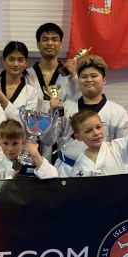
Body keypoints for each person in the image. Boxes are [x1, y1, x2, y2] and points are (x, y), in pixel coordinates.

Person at [39, 55, 128, 177]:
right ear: (78, 80)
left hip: (103, 173)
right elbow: (47, 139)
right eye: (84, 77)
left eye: (94, 76)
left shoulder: (117, 112)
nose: (89, 80)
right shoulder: (65, 108)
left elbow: (125, 150)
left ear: (104, 80)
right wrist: (52, 115)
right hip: (68, 171)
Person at [25, 23, 80, 160]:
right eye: (45, 39)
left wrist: (74, 76)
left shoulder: (69, 75)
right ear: (38, 44)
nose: (50, 43)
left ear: (60, 44)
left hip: (60, 137)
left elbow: (77, 102)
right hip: (31, 136)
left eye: (54, 39)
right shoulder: (26, 75)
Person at [69, 108, 128, 177]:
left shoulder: (119, 148)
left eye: (98, 127)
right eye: (88, 131)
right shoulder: (79, 164)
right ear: (78, 137)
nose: (96, 133)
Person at [0, 41, 39, 121]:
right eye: (11, 59)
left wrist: (4, 101)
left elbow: (27, 123)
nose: (15, 64)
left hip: (18, 133)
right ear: (3, 60)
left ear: (26, 62)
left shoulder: (31, 92)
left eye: (20, 60)